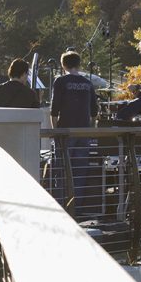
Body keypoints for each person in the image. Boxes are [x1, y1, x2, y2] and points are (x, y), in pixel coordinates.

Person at [50, 50, 99, 216]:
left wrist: (56, 132)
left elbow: (54, 110)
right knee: (79, 173)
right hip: (82, 133)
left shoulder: (60, 81)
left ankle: (59, 210)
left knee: (61, 171)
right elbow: (94, 111)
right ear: (79, 64)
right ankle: (75, 210)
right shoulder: (88, 83)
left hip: (65, 132)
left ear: (63, 65)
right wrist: (89, 130)